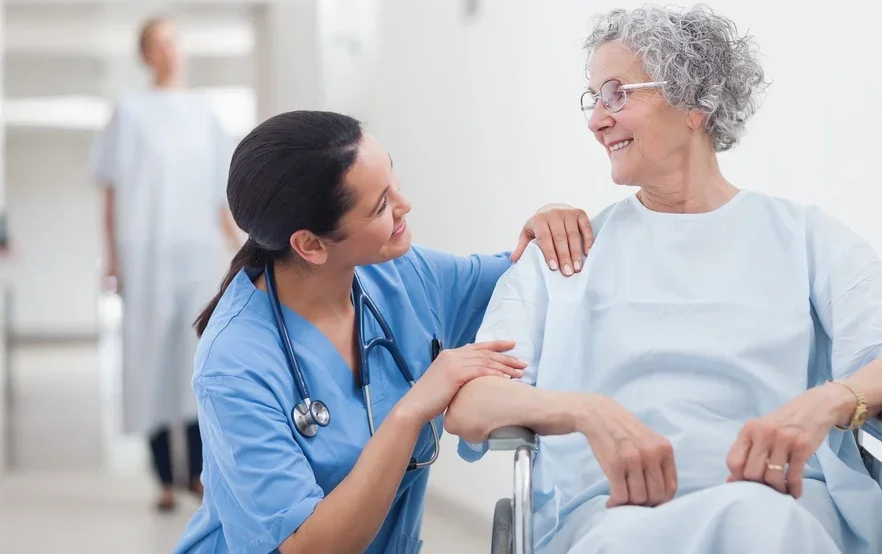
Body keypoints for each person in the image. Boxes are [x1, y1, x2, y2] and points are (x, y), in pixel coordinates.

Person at [444, 5, 882, 554]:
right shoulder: (563, 254)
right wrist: (585, 411)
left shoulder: (806, 238)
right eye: (594, 100)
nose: (596, 121)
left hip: (783, 505)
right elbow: (472, 403)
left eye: (618, 94)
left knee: (761, 526)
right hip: (612, 516)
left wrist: (826, 403)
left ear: (695, 102)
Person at [173, 110, 592, 554]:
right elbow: (307, 546)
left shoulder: (400, 277)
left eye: (392, 180)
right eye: (380, 205)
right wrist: (411, 411)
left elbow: (523, 280)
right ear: (311, 244)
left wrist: (549, 223)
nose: (404, 204)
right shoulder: (234, 365)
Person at [91, 16, 243, 512]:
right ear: (145, 55)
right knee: (152, 361)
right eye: (158, 44)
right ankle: (161, 476)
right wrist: (112, 257)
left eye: (174, 41)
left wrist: (241, 251)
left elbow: (222, 193)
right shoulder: (130, 113)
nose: (169, 51)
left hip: (197, 253)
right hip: (146, 253)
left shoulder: (206, 113)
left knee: (197, 359)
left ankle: (197, 474)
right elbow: (110, 189)